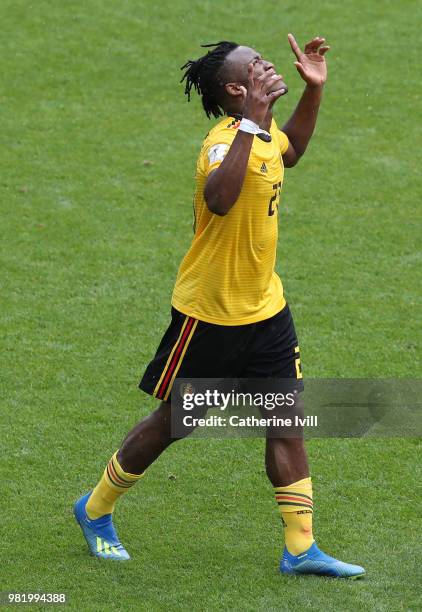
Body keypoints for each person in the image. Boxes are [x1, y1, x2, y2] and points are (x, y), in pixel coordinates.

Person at [74, 34, 365, 578]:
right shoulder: (220, 144)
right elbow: (220, 199)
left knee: (285, 421)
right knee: (176, 421)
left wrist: (314, 93)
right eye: (256, 66)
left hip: (266, 309)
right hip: (209, 315)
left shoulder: (264, 133)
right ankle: (94, 510)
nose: (268, 64)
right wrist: (254, 124)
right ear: (237, 88)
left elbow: (292, 152)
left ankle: (301, 549)